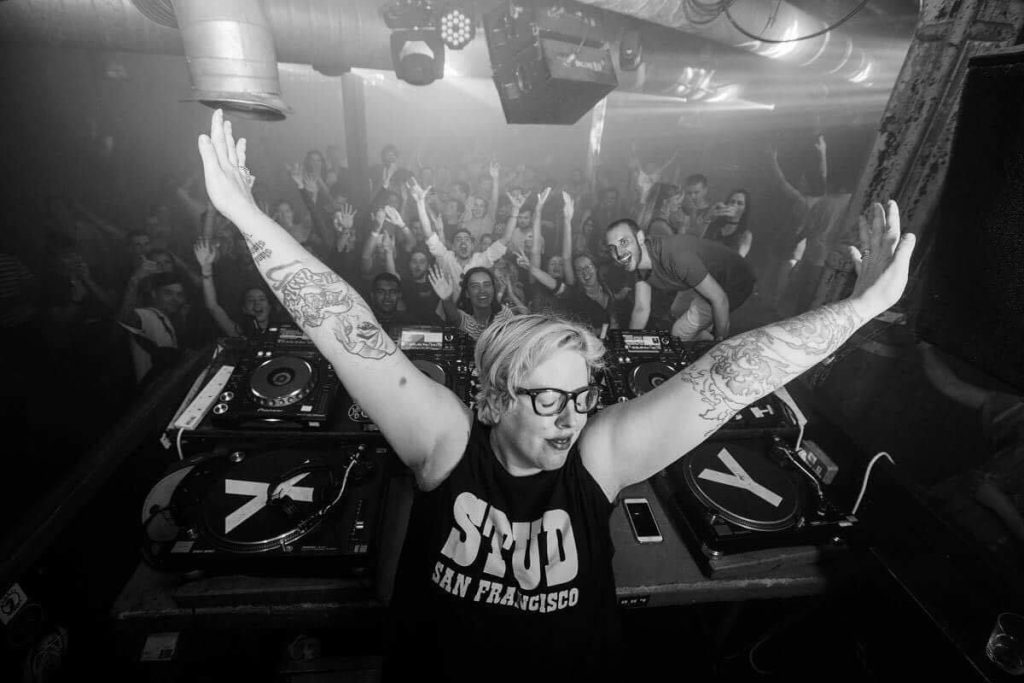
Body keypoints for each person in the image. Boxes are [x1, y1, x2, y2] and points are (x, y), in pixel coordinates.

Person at [194, 110, 914, 682]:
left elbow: (731, 373)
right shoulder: (447, 442)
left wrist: (861, 309)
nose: (571, 417)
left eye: (582, 394)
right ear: (492, 400)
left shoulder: (598, 456)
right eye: (546, 398)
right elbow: (347, 328)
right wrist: (246, 216)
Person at [604, 219, 756, 341]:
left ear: (640, 238)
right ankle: (705, 333)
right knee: (676, 310)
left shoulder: (676, 257)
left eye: (624, 242)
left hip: (734, 282)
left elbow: (720, 299)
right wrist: (628, 344)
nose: (618, 254)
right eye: (612, 248)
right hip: (702, 276)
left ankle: (709, 343)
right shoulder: (638, 260)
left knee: (679, 333)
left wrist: (719, 342)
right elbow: (641, 308)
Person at [704, 189, 753, 258]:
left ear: (745, 209)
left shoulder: (745, 235)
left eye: (740, 203)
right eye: (732, 202)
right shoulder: (714, 225)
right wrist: (708, 217)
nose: (734, 205)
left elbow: (739, 259)